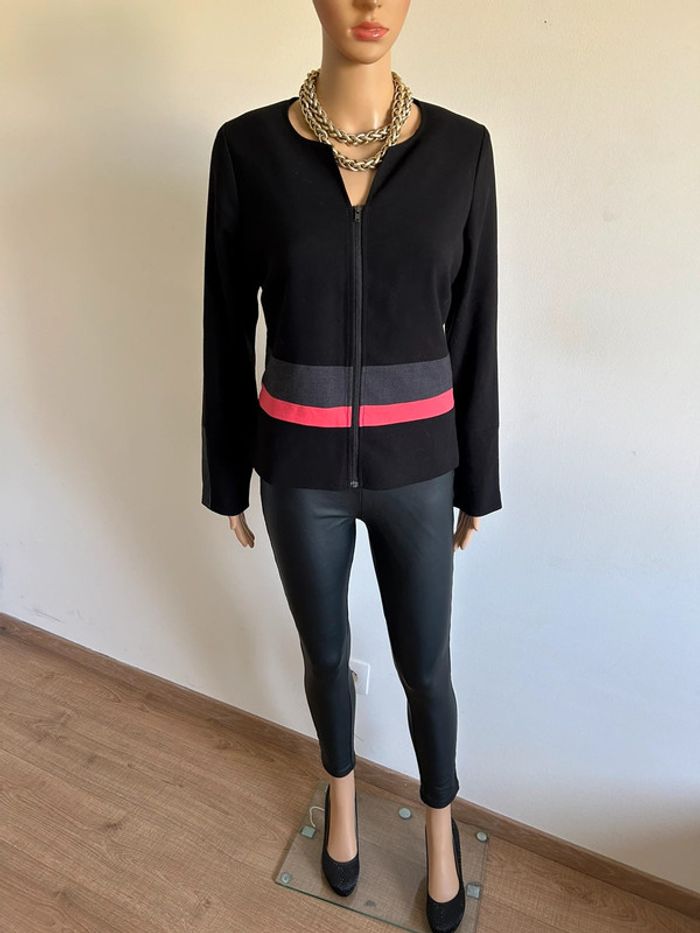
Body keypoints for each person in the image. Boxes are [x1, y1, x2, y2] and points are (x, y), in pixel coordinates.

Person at [201, 3, 501, 930]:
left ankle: (440, 825)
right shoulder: (248, 149)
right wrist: (228, 476)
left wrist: (477, 481)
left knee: (427, 666)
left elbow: (476, 326)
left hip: (419, 466)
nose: (370, 4)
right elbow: (225, 324)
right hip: (299, 466)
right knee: (325, 653)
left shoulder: (461, 151)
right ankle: (340, 792)